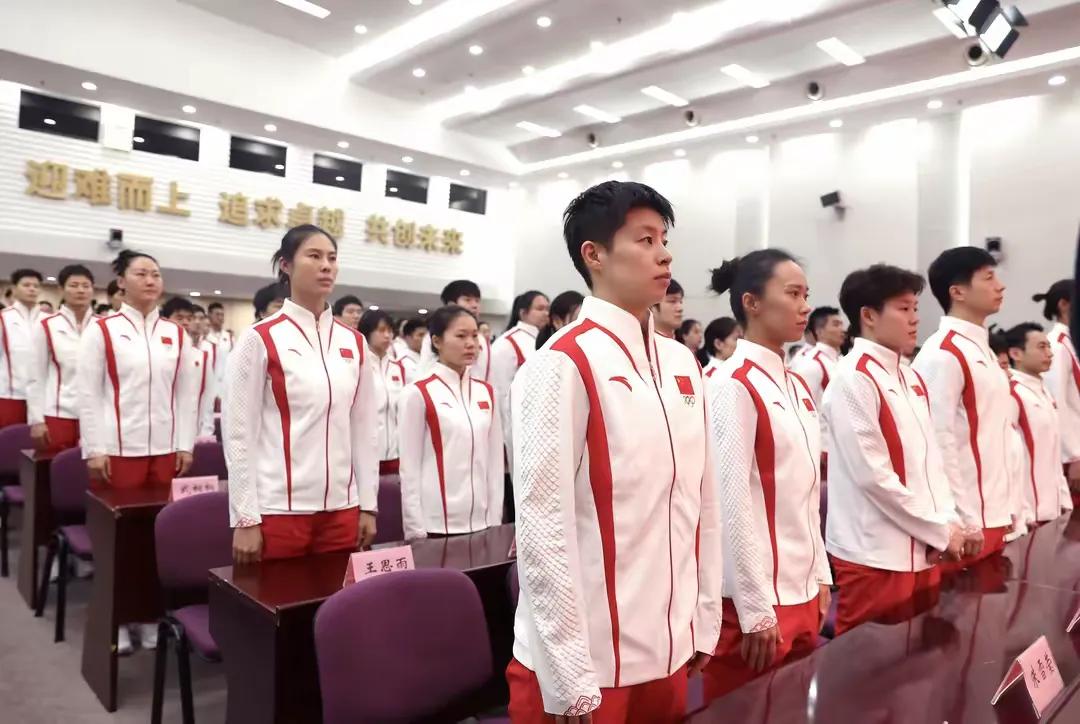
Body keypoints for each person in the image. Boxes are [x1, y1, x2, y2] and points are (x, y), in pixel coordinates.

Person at [508, 181, 720, 722]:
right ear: (595, 255)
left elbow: (703, 500)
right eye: (645, 240)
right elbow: (541, 526)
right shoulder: (562, 362)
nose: (664, 254)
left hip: (668, 646)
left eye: (664, 239)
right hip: (587, 663)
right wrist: (567, 672)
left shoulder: (681, 362)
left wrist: (702, 618)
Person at [703, 249, 830, 699]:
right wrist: (755, 607)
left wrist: (821, 574)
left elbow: (805, 493)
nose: (804, 306)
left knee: (793, 707)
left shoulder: (795, 384)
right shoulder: (732, 383)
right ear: (752, 303)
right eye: (793, 294)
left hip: (802, 588)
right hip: (756, 602)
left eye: (806, 295)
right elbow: (730, 503)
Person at [824, 265, 964, 635]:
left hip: (923, 545)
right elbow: (874, 477)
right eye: (903, 309)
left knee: (920, 659)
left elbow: (931, 462)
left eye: (915, 308)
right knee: (870, 662)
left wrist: (948, 520)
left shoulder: (910, 375)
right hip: (876, 553)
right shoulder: (853, 377)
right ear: (869, 316)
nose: (915, 318)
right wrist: (939, 530)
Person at [226, 225, 379, 563]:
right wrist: (245, 515)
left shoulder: (354, 342)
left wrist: (368, 504)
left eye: (332, 258)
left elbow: (365, 429)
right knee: (276, 596)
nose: (326, 266)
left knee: (339, 596)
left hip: (343, 508)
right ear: (286, 265)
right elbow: (239, 433)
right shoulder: (260, 338)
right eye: (314, 256)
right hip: (279, 509)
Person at [76, 251, 198, 654]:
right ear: (121, 282)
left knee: (157, 543)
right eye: (141, 273)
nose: (150, 280)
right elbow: (88, 393)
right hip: (117, 450)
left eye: (156, 274)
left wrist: (184, 443)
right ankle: (118, 619)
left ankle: (148, 616)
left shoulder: (175, 333)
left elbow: (186, 395)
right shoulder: (103, 330)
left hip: (164, 451)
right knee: (121, 543)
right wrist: (95, 448)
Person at [913, 247, 1018, 565]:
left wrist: (1007, 504)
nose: (1000, 286)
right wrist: (960, 516)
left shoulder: (983, 350)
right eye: (989, 278)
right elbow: (936, 441)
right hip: (967, 524)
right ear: (957, 292)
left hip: (993, 512)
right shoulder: (943, 353)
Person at [398, 305, 503, 540]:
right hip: (436, 526)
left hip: (483, 523)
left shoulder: (487, 393)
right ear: (436, 341)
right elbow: (409, 469)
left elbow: (495, 463)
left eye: (475, 335)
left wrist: (495, 519)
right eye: (461, 336)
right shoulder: (417, 393)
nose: (471, 343)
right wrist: (415, 530)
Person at [1005, 322, 1073, 524]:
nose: (1049, 353)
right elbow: (1008, 458)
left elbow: (1053, 451)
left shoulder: (1044, 391)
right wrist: (1022, 514)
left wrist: (1065, 500)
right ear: (1016, 353)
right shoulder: (1012, 393)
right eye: (1041, 347)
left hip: (1055, 509)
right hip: (1030, 516)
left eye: (1049, 347)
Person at [27, 265, 98, 452]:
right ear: (61, 289)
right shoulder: (46, 325)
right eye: (74, 285)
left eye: (86, 286)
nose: (81, 290)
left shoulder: (104, 326)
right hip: (58, 413)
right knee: (56, 466)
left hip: (96, 415)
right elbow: (36, 376)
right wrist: (36, 420)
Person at [490, 290, 549, 471]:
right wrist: (504, 439)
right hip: (518, 428)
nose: (546, 313)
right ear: (523, 313)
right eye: (540, 308)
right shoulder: (507, 343)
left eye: (547, 309)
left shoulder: (548, 338)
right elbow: (501, 393)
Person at [1036, 280, 1080, 497]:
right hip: (1072, 455)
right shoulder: (1057, 345)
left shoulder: (1072, 342)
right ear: (1064, 305)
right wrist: (1073, 456)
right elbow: (1056, 402)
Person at [359, 308, 407, 474]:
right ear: (367, 332)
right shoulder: (358, 365)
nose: (387, 336)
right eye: (381, 330)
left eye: (390, 331)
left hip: (396, 454)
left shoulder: (398, 367)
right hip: (365, 455)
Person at [161, 297, 216, 440]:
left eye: (189, 318)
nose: (185, 322)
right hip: (159, 429)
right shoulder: (155, 354)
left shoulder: (201, 357)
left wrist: (206, 431)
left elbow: (207, 398)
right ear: (165, 320)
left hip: (190, 431)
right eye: (179, 318)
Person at [420, 280, 491, 380]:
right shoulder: (436, 336)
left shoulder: (481, 338)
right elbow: (424, 371)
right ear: (451, 304)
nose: (475, 305)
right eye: (467, 300)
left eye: (477, 301)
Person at [0, 268, 43, 427]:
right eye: (26, 285)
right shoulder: (3, 318)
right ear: (14, 288)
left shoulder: (48, 320)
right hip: (10, 395)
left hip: (42, 398)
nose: (32, 289)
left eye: (36, 286)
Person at [205, 301, 233, 395]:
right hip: (209, 382)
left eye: (222, 315)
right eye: (217, 314)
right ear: (209, 315)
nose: (220, 317)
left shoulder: (229, 337)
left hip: (225, 383)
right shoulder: (204, 335)